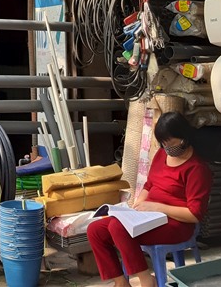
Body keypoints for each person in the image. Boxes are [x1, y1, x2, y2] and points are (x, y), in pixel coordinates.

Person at [86, 112, 212, 287]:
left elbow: (194, 214)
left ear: (184, 137)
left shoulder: (197, 169)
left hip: (177, 223)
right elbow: (149, 185)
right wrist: (139, 204)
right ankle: (121, 282)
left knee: (118, 227)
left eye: (171, 143)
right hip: (150, 216)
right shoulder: (162, 155)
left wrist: (157, 207)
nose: (168, 148)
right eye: (164, 144)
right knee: (95, 230)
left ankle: (147, 280)